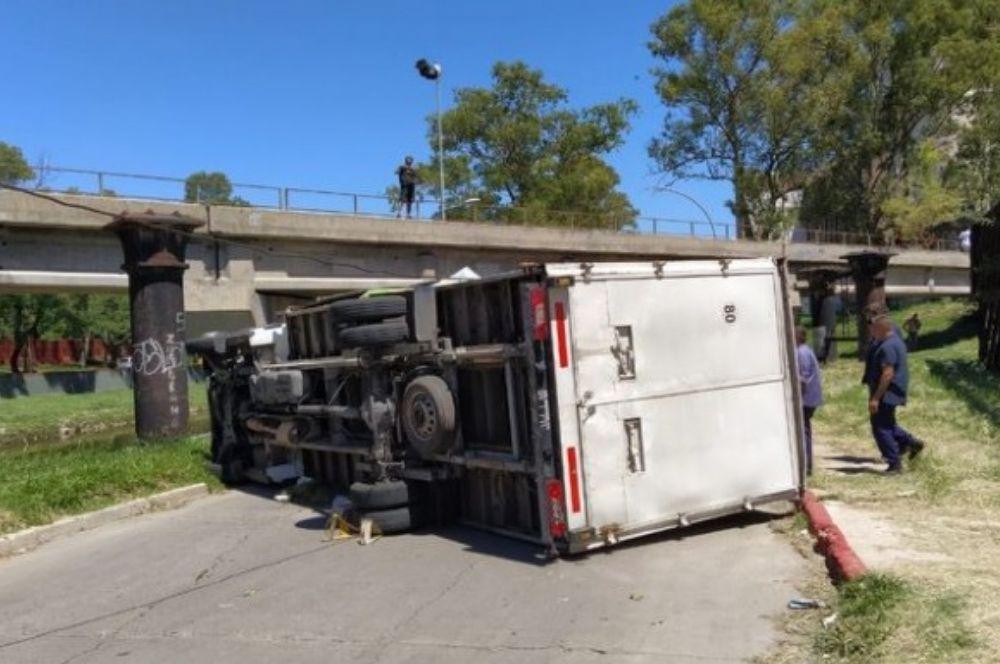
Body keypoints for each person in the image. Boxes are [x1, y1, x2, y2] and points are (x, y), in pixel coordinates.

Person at [862, 312, 925, 474]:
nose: (871, 331)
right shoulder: (896, 342)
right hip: (894, 391)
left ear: (882, 328)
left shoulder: (887, 346)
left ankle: (894, 463)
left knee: (880, 427)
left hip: (886, 393)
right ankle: (911, 443)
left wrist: (876, 397)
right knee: (888, 424)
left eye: (874, 328)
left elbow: (887, 374)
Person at [795, 326, 822, 475]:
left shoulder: (802, 352)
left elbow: (803, 378)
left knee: (803, 431)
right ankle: (806, 464)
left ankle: (806, 465)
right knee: (803, 430)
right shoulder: (802, 350)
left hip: (806, 400)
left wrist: (798, 397)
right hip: (808, 398)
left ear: (799, 336)